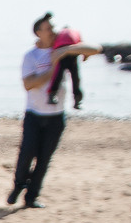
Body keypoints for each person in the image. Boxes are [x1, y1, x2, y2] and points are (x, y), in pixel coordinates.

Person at [8, 12, 100, 209]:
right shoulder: (31, 56)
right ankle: (18, 185)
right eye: (48, 28)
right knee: (26, 155)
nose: (53, 31)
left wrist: (65, 51)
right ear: (38, 33)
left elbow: (96, 49)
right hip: (34, 115)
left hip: (56, 117)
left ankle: (31, 198)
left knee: (44, 159)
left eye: (53, 27)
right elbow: (29, 84)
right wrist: (53, 66)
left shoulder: (63, 49)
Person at [44, 24, 85, 111]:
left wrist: (53, 56)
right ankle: (77, 101)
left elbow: (54, 45)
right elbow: (82, 44)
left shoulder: (60, 33)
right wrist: (85, 56)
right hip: (73, 51)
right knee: (75, 78)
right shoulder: (75, 32)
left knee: (57, 75)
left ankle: (52, 96)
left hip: (61, 51)